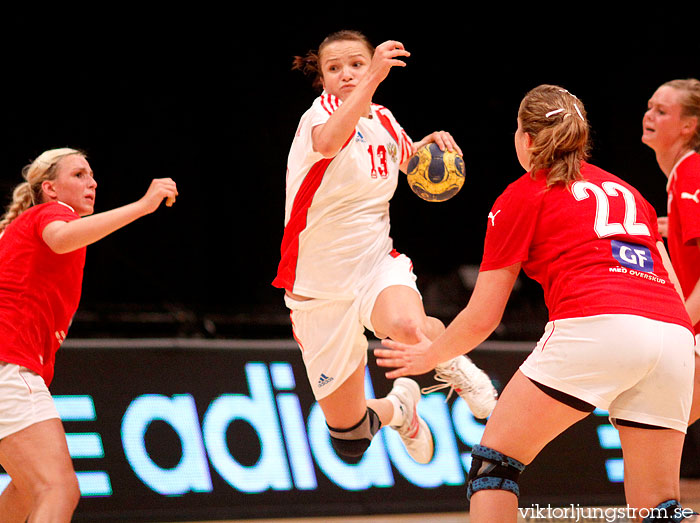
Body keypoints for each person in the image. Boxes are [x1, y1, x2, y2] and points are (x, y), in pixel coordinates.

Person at [375, 85, 698, 522]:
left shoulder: (523, 195)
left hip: (597, 324)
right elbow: (673, 285)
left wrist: (430, 356)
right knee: (658, 506)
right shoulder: (631, 194)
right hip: (675, 335)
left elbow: (483, 316)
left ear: (526, 139)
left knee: (496, 466)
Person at [272, 30, 497, 466]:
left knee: (408, 327)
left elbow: (410, 163)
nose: (348, 74)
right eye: (334, 68)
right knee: (350, 437)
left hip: (375, 266)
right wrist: (373, 77)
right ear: (322, 78)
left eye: (356, 64)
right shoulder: (319, 117)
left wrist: (431, 147)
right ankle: (401, 409)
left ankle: (466, 377)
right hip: (317, 289)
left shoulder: (385, 120)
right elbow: (330, 142)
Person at [0, 148, 177, 522]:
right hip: (9, 364)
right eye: (79, 174)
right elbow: (62, 238)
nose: (92, 182)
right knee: (58, 488)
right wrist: (143, 206)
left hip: (11, 364)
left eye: (92, 175)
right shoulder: (52, 214)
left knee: (27, 489)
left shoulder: (25, 225)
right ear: (49, 188)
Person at [642, 78, 700, 425]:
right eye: (650, 107)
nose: (649, 115)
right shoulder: (682, 177)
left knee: (654, 430)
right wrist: (673, 230)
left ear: (688, 126)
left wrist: (677, 328)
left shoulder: (690, 174)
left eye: (662, 111)